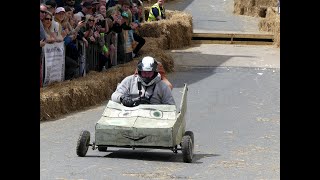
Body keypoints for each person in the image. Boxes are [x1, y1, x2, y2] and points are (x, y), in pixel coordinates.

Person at [111, 56, 175, 107]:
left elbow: (171, 106)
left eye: (149, 73)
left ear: (155, 72)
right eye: (144, 73)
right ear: (139, 72)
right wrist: (122, 98)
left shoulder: (163, 86)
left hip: (154, 119)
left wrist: (155, 107)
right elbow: (114, 95)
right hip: (130, 116)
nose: (147, 76)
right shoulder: (129, 81)